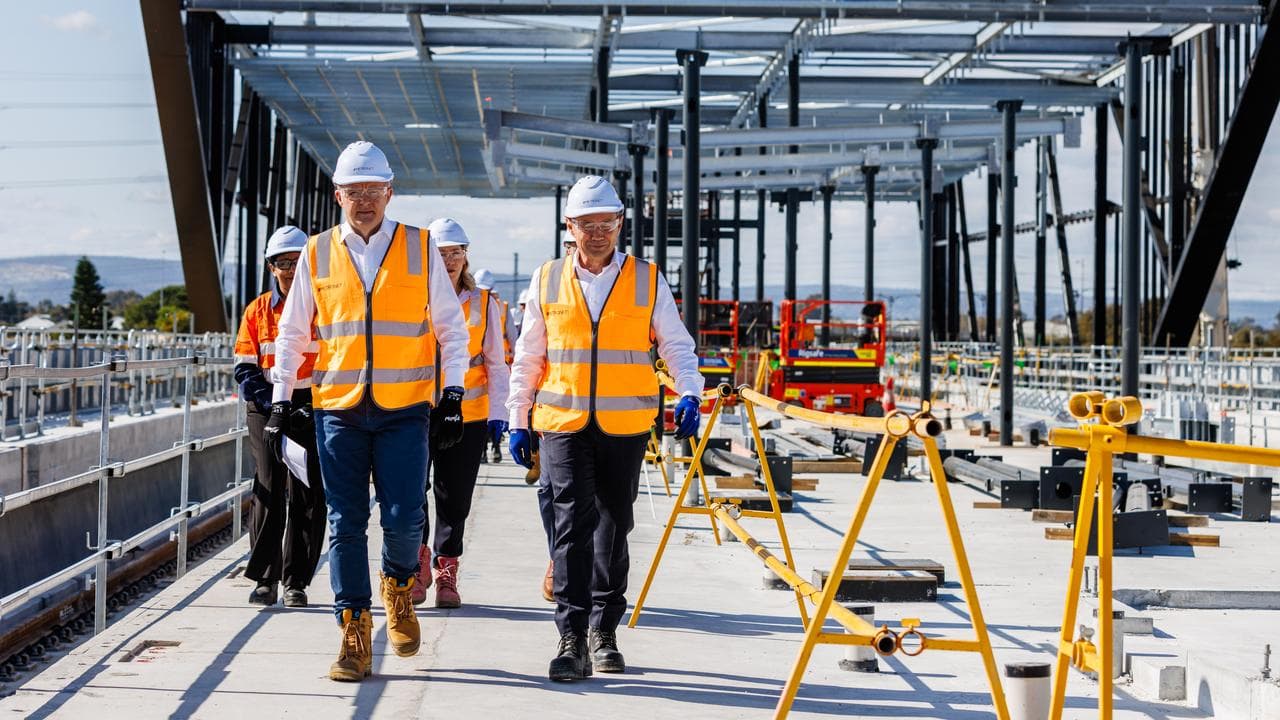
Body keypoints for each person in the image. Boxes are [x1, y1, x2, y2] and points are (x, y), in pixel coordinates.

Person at [268, 141, 471, 683]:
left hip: (405, 407)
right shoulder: (315, 252)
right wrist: (282, 398)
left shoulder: (419, 247)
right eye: (354, 192)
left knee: (406, 518)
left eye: (373, 192)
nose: (364, 202)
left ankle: (398, 585)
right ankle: (353, 629)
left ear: (390, 193)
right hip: (338, 408)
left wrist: (452, 396)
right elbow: (292, 333)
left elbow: (451, 328)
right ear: (338, 195)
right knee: (345, 522)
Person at [507, 175, 704, 681]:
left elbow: (675, 343)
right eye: (587, 224)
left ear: (620, 224)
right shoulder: (547, 278)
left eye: (607, 224)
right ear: (569, 226)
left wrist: (689, 390)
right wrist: (517, 417)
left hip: (624, 423)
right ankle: (570, 637)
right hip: (563, 421)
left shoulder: (646, 278)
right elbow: (530, 354)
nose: (598, 233)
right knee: (571, 526)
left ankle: (604, 630)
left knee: (616, 525)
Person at [410, 219, 510, 608]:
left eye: (456, 252)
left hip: (468, 415)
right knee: (412, 492)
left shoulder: (484, 303)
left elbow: (496, 364)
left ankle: (446, 570)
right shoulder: (414, 298)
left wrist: (500, 413)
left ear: (466, 255)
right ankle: (417, 565)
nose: (450, 260)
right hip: (416, 410)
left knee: (455, 498)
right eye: (441, 253)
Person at [233, 226, 327, 608]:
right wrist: (275, 404)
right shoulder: (257, 310)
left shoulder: (326, 308)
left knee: (309, 491)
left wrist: (311, 403)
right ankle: (265, 578)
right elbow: (244, 366)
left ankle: (296, 581)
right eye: (281, 263)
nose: (289, 269)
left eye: (296, 261)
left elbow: (339, 360)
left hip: (312, 405)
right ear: (271, 267)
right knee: (269, 486)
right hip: (266, 404)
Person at [471, 268, 508, 464]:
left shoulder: (497, 306)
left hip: (497, 366)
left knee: (492, 417)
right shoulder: (474, 301)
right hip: (480, 371)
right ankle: (485, 449)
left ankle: (494, 446)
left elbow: (511, 335)